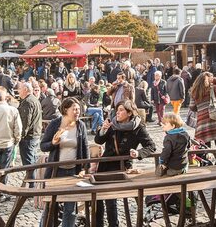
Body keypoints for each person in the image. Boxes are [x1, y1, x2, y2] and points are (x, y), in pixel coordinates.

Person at [95, 100, 156, 227]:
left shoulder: (138, 127)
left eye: (121, 110)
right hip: (106, 165)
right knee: (102, 198)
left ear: (129, 113)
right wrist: (103, 130)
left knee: (118, 198)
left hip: (123, 166)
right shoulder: (112, 124)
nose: (117, 112)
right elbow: (99, 141)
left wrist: (138, 153)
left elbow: (151, 146)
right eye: (117, 110)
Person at [39, 98, 89, 227]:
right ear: (66, 110)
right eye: (74, 109)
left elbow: (85, 147)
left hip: (73, 171)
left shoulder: (80, 126)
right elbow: (43, 146)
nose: (77, 112)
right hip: (56, 171)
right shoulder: (55, 124)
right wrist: (53, 143)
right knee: (51, 206)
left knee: (70, 209)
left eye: (78, 109)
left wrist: (85, 167)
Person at [190, 72, 216, 147]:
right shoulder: (215, 89)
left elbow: (192, 107)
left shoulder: (194, 92)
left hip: (202, 121)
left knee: (205, 146)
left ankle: (206, 159)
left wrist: (202, 108)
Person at [17, 82, 42, 172]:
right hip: (35, 134)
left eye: (20, 89)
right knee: (33, 160)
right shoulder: (34, 99)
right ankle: (33, 182)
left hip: (29, 137)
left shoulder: (28, 102)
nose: (18, 91)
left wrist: (20, 136)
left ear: (25, 89)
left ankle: (32, 184)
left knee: (29, 164)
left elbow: (25, 121)